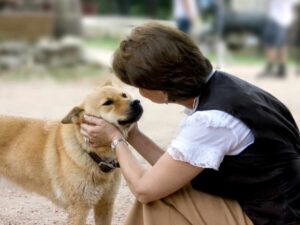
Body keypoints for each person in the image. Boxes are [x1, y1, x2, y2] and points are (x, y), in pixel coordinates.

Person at [80, 23, 300, 225]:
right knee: (163, 189)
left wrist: (115, 139)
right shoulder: (228, 90)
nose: (138, 94)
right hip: (281, 206)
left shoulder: (212, 121)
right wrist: (132, 134)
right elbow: (173, 170)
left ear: (158, 86)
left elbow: (144, 189)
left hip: (275, 218)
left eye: (138, 85)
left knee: (155, 198)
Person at [258, 0, 297, 78]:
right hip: (286, 21)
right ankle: (282, 69)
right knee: (282, 46)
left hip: (276, 20)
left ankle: (269, 68)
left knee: (271, 45)